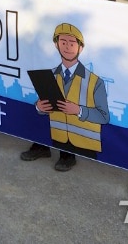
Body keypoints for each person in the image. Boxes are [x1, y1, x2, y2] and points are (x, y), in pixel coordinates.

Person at [21, 23, 109, 172]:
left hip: (85, 144)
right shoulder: (50, 75)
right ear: (56, 45)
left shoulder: (95, 81)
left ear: (81, 47)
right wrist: (39, 107)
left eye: (72, 43)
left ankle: (68, 156)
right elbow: (46, 105)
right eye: (63, 42)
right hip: (58, 136)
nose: (67, 47)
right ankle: (42, 146)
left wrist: (79, 110)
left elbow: (104, 116)